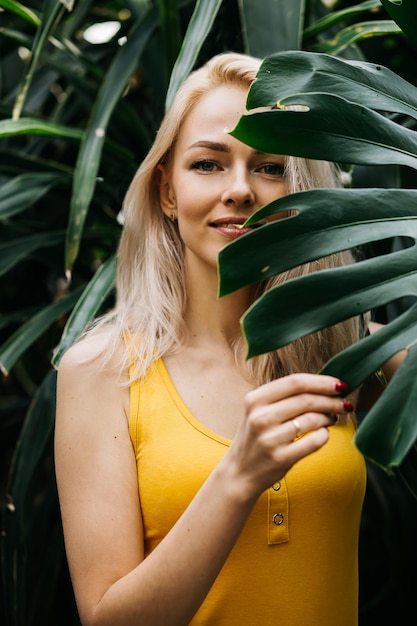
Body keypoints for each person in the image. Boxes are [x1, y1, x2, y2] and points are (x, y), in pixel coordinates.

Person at [54, 52, 402, 626]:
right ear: (166, 192)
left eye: (269, 167)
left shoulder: (344, 347)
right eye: (208, 164)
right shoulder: (102, 371)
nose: (239, 190)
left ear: (303, 194)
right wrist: (239, 476)